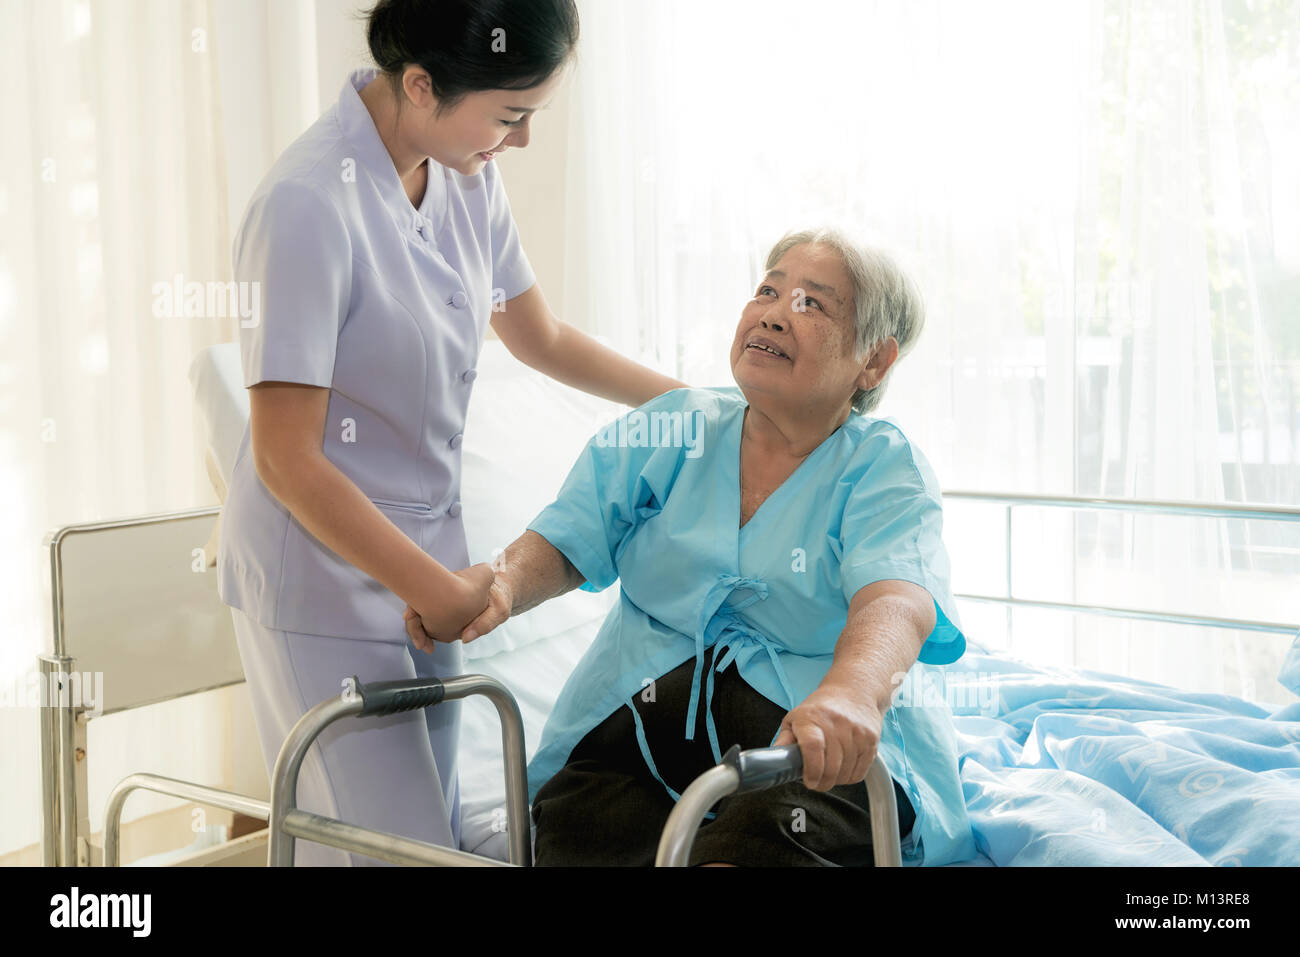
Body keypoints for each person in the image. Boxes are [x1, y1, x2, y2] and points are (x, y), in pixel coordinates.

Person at [217, 0, 683, 866]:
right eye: (511, 115)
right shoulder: (306, 204)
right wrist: (431, 585)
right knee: (397, 853)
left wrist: (697, 404)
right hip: (323, 579)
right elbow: (285, 456)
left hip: (428, 574)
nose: (523, 140)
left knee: (430, 848)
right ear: (422, 84)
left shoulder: (464, 171)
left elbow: (539, 338)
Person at [410, 228, 979, 866]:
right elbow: (571, 533)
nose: (773, 312)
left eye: (812, 304)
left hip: (806, 741)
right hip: (641, 729)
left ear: (873, 361)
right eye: (768, 290)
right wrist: (502, 584)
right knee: (581, 828)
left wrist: (853, 691)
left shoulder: (882, 467)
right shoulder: (672, 427)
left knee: (774, 831)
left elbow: (896, 598)